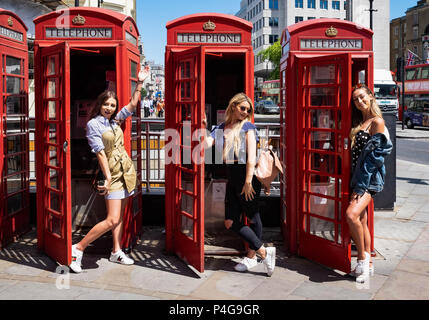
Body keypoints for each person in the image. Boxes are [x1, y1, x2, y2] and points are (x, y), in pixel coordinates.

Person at [69, 65, 150, 273]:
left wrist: (139, 83)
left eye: (113, 105)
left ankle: (116, 251)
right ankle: (78, 248)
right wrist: (106, 177)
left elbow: (132, 104)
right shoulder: (94, 125)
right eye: (106, 104)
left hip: (125, 172)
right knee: (112, 218)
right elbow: (100, 153)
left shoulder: (115, 121)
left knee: (119, 216)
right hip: (111, 173)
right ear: (100, 104)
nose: (110, 107)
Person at [204, 93, 276, 276]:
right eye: (243, 108)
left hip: (246, 176)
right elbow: (206, 144)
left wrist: (248, 181)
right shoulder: (221, 127)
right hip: (232, 176)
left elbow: (251, 156)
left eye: (248, 109)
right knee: (229, 221)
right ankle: (264, 252)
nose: (246, 112)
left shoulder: (248, 127)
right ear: (233, 106)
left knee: (253, 216)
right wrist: (202, 126)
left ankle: (253, 257)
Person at [347, 83, 392, 283]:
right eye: (356, 99)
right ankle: (369, 264)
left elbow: (374, 160)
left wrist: (361, 186)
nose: (360, 101)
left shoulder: (377, 122)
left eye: (363, 97)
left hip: (369, 180)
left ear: (371, 97)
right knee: (362, 221)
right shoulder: (360, 122)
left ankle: (362, 259)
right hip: (357, 177)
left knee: (351, 214)